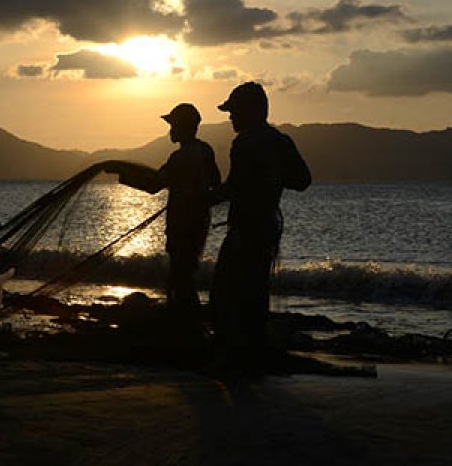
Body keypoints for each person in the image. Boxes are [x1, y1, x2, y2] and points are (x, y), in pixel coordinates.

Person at [210, 82, 310, 370]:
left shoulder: (245, 142)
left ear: (251, 111)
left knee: (224, 291)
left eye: (234, 111)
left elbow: (234, 185)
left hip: (246, 228)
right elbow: (302, 180)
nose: (230, 117)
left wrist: (206, 197)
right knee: (255, 290)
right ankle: (253, 350)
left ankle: (233, 355)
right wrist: (273, 178)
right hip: (267, 226)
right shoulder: (281, 141)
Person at [103, 103, 221, 328]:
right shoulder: (205, 150)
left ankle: (186, 326)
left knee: (180, 275)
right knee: (184, 272)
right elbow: (215, 181)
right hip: (199, 222)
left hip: (182, 224)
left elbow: (153, 185)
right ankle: (186, 323)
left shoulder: (179, 157)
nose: (170, 131)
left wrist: (122, 175)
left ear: (183, 127)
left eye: (173, 125)